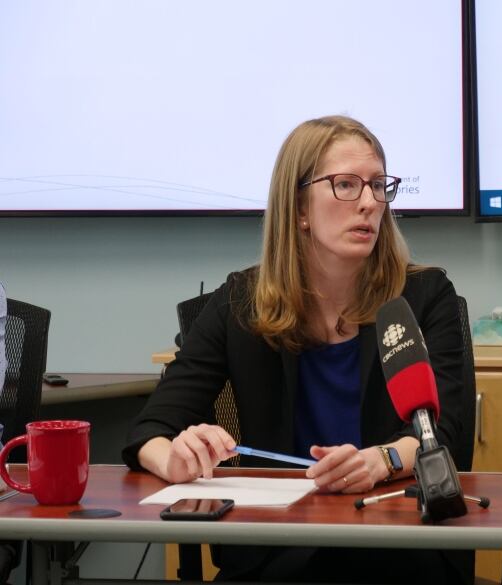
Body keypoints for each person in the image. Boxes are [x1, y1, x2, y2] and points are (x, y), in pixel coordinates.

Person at [122, 116, 472, 584]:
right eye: (346, 185)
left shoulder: (424, 296)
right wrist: (174, 458)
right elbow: (151, 429)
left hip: (397, 540)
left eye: (377, 186)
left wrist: (380, 460)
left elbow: (445, 434)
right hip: (276, 548)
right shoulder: (241, 302)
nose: (369, 203)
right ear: (299, 208)